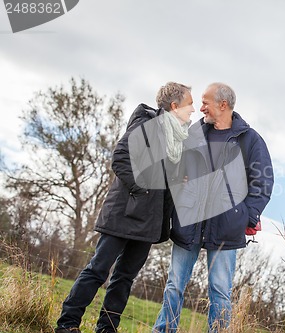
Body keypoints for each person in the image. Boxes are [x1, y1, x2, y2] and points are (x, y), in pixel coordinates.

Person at [55, 82, 194, 333]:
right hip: (124, 213)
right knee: (98, 270)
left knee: (124, 279)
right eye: (189, 104)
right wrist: (143, 189)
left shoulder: (177, 139)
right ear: (175, 106)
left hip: (149, 222)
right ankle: (67, 324)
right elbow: (120, 159)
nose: (193, 110)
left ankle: (107, 329)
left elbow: (160, 176)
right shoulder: (149, 125)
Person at [153, 82, 274, 333]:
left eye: (206, 102)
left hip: (227, 228)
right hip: (189, 223)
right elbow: (175, 166)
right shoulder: (194, 133)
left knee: (219, 292)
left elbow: (262, 181)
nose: (200, 107)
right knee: (174, 285)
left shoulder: (250, 140)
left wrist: (246, 217)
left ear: (223, 104)